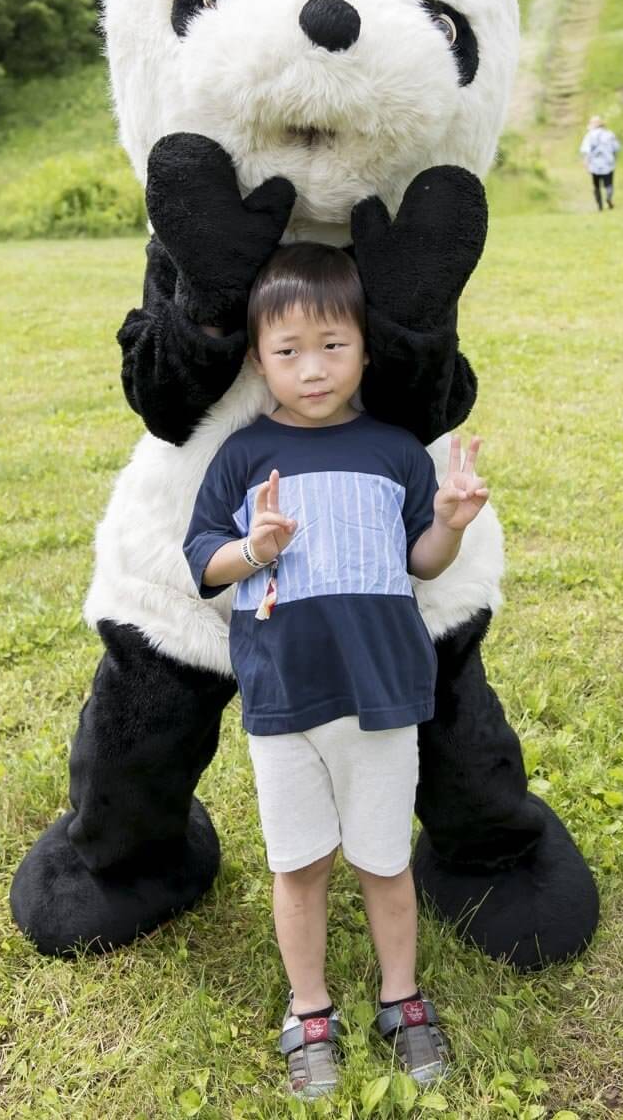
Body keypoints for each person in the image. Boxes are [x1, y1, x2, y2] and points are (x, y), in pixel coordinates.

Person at [183, 242, 491, 1099]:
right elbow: (201, 559)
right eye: (287, 353)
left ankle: (402, 998)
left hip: (382, 697)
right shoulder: (242, 459)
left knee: (384, 861)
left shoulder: (395, 451)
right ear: (258, 360)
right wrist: (254, 548)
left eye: (332, 346)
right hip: (283, 699)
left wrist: (453, 521)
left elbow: (422, 562)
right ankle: (309, 1008)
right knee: (298, 864)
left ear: (362, 346)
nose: (311, 369)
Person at [580, 114, 621, 210]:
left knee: (596, 185)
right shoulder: (609, 134)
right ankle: (609, 197)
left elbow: (586, 150)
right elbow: (616, 148)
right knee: (609, 184)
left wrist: (586, 162)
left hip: (594, 165)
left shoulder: (589, 136)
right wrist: (614, 158)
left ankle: (600, 206)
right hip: (608, 163)